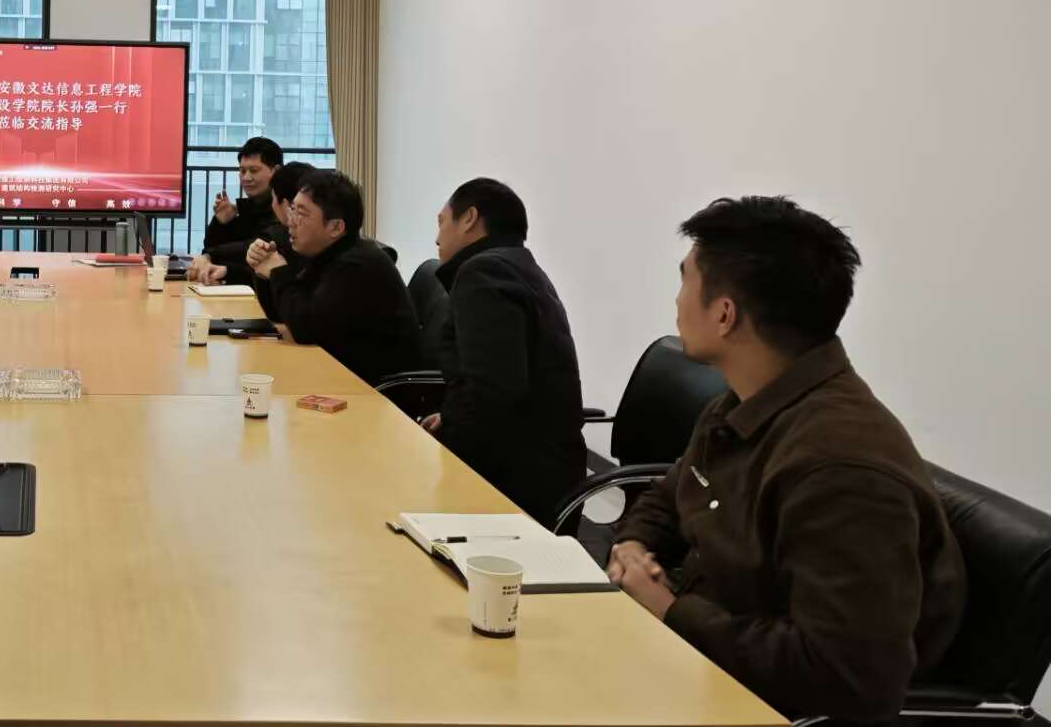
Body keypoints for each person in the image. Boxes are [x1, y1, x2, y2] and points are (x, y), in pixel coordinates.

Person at [608, 197, 965, 721]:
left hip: (749, 700)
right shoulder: (743, 401)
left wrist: (671, 612)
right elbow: (672, 494)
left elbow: (845, 679)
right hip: (701, 656)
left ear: (724, 314)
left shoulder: (842, 470)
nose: (677, 299)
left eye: (685, 280)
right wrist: (634, 544)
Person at [423, 178, 586, 525]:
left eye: (442, 222)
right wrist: (450, 416)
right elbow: (495, 378)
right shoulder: (515, 265)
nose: (437, 237)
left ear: (469, 218)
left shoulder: (482, 272)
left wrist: (448, 434)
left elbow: (493, 393)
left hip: (517, 482)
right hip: (545, 465)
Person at [247, 169, 418, 385]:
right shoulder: (327, 253)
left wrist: (277, 271)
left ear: (336, 227)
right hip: (339, 373)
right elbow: (283, 315)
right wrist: (265, 272)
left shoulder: (356, 265)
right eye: (293, 209)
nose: (290, 221)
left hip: (375, 390)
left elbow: (304, 328)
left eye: (302, 213)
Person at [190, 137, 282, 284]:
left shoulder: (284, 207)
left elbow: (251, 246)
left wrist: (209, 256)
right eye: (242, 171)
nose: (246, 177)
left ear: (275, 171)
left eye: (254, 171)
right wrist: (221, 222)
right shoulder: (249, 207)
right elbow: (214, 248)